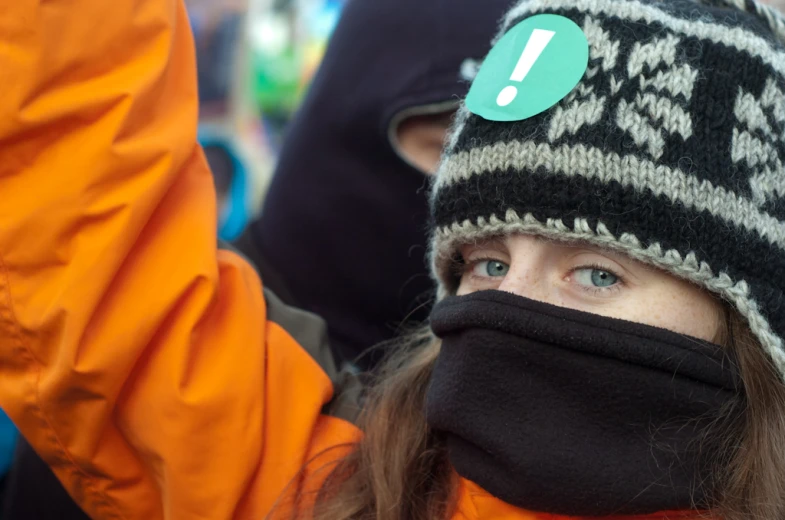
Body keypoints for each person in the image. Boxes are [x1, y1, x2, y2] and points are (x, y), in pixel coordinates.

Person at [0, 1, 784, 520]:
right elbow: (89, 229)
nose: (511, 305)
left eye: (597, 273)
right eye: (484, 264)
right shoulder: (330, 490)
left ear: (744, 319)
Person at [237, 0, 513, 371]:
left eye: (498, 167)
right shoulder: (196, 329)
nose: (475, 186)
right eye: (448, 150)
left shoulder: (488, 380)